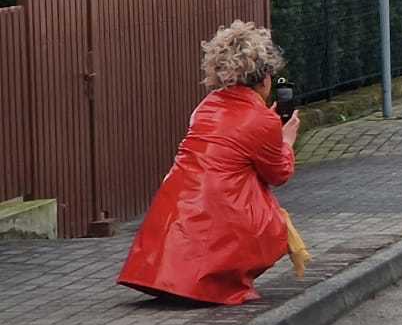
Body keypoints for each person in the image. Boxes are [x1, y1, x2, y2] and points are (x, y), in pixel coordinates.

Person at [117, 21, 307, 305]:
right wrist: (286, 141)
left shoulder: (206, 106)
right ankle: (224, 279)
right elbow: (278, 173)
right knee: (274, 216)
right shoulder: (263, 120)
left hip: (175, 211)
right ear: (265, 78)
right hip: (225, 213)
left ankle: (176, 275)